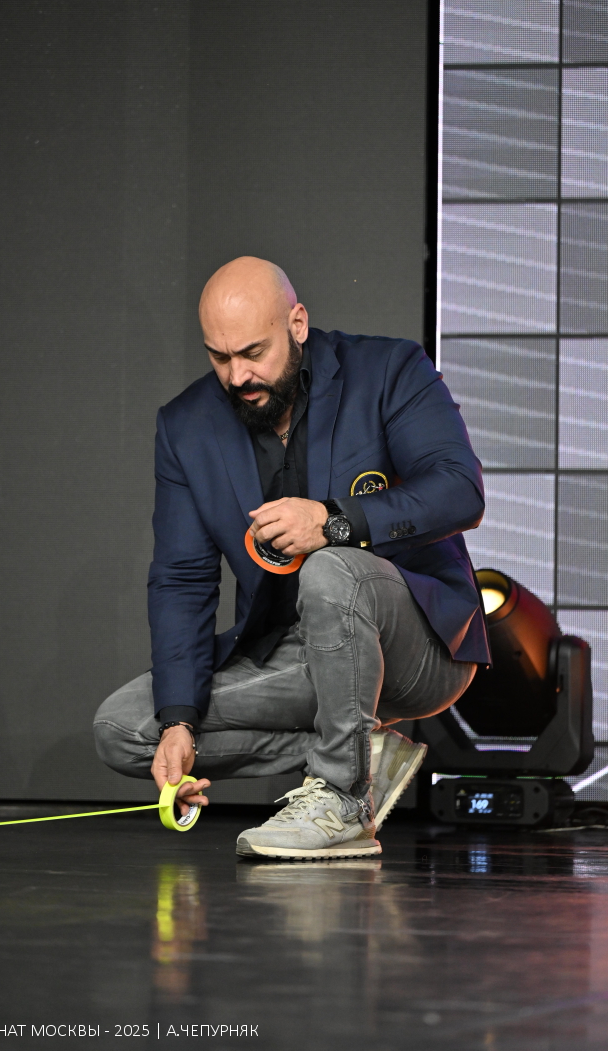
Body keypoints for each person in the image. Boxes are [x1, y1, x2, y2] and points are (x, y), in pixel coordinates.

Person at [94, 257, 490, 859]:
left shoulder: (388, 370)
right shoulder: (186, 426)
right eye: (220, 357)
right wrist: (178, 722)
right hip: (296, 655)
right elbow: (182, 580)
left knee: (332, 565)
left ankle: (343, 800)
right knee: (123, 728)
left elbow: (460, 490)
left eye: (253, 352)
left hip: (417, 648)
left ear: (297, 324)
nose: (238, 375)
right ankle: (363, 757)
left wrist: (333, 522)